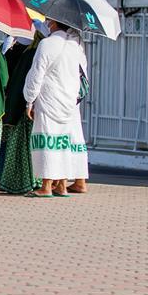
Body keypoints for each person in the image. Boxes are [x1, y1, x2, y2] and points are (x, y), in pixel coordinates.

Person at [23, 20, 89, 197]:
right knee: (64, 142)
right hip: (68, 100)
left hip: (49, 98)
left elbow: (36, 74)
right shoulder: (75, 45)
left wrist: (29, 100)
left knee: (47, 139)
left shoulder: (46, 44)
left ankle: (46, 186)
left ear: (52, 23)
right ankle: (62, 185)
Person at [0, 29, 44, 194]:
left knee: (16, 148)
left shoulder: (24, 53)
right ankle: (34, 180)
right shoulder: (34, 52)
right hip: (30, 106)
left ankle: (16, 181)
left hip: (20, 107)